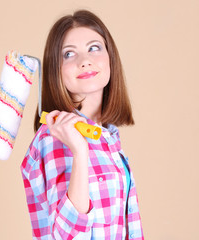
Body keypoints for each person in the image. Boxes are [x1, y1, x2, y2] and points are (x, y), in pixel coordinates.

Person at [21, 10, 144, 239]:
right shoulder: (55, 137)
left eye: (94, 48)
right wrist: (79, 151)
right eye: (68, 54)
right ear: (55, 69)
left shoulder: (107, 137)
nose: (84, 61)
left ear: (110, 58)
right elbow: (67, 236)